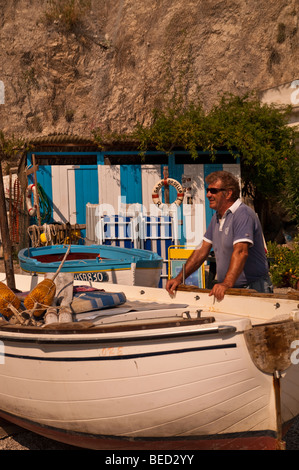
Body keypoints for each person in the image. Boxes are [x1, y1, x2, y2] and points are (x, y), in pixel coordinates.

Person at [166, 170, 273, 301]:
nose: (208, 195)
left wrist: (226, 283)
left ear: (228, 193)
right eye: (207, 190)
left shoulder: (243, 214)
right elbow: (201, 251)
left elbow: (241, 252)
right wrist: (179, 279)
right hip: (232, 288)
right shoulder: (217, 217)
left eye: (213, 191)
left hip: (253, 289)